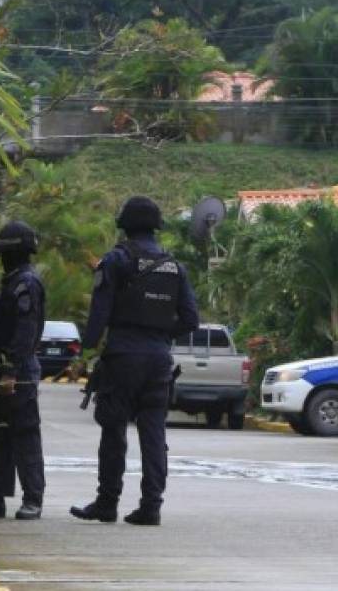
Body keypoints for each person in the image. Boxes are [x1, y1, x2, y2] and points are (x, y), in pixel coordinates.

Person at [70, 196, 199, 526]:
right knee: (153, 433)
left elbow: (99, 313)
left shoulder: (116, 260)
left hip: (123, 356)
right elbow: (190, 319)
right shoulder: (175, 266)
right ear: (156, 227)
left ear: (125, 225)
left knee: (113, 429)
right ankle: (151, 506)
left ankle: (107, 502)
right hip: (159, 359)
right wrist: (159, 334)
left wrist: (85, 351)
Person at [0, 220, 47, 520]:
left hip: (16, 369)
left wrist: (11, 370)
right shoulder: (11, 281)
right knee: (0, 433)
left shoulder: (25, 283)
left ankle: (33, 498)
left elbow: (26, 331)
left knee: (25, 433)